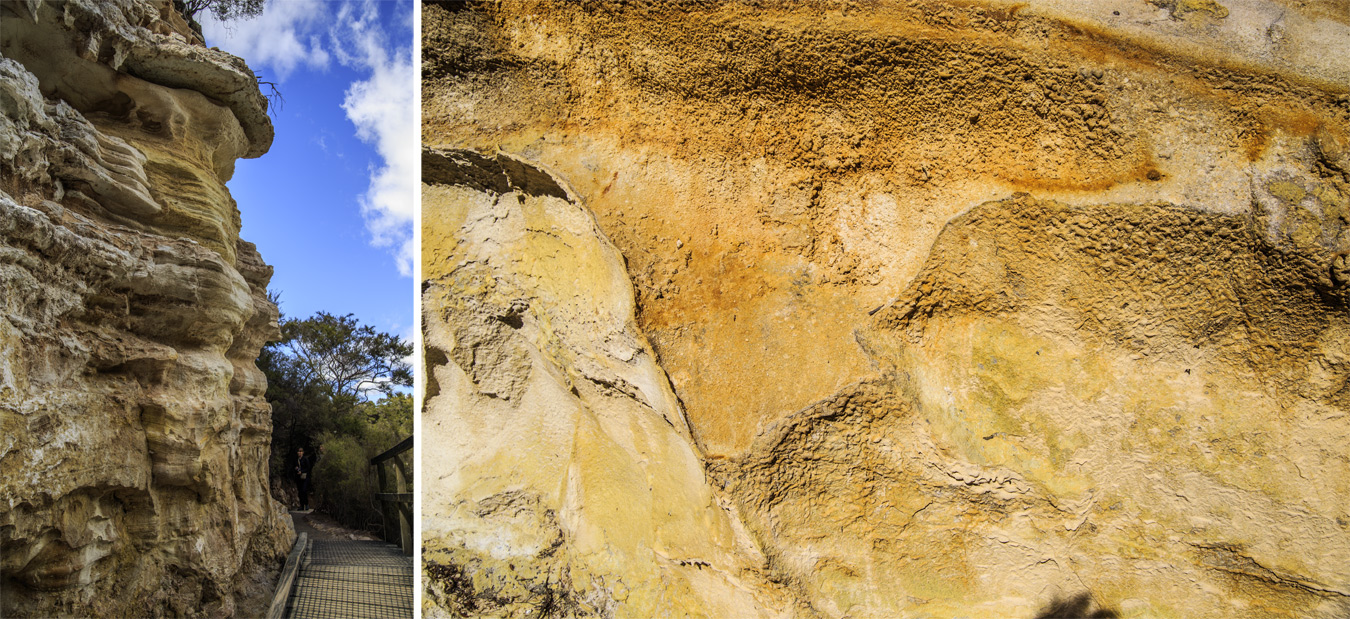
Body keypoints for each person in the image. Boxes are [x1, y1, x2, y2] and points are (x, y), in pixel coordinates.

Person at [295, 446, 317, 512]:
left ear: (303, 452)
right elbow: (294, 466)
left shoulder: (305, 459)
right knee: (300, 491)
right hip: (299, 477)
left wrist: (302, 471)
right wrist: (296, 469)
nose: (300, 453)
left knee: (304, 490)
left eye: (301, 451)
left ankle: (306, 504)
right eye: (299, 451)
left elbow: (308, 468)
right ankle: (302, 505)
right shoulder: (297, 460)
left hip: (305, 477)